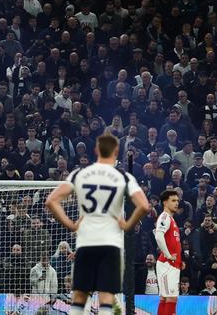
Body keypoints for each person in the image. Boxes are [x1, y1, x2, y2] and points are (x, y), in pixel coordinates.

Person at [46, 133, 152, 315]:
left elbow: (51, 201)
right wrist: (127, 225)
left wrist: (71, 224)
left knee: (79, 296)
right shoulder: (123, 177)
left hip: (86, 242)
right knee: (106, 298)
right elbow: (144, 206)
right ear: (117, 152)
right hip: (110, 244)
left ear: (96, 150)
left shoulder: (80, 174)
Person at [154, 189, 184, 315]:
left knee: (165, 297)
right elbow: (158, 236)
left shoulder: (171, 219)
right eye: (173, 201)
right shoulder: (165, 217)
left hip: (172, 264)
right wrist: (168, 255)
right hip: (167, 264)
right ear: (165, 203)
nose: (176, 203)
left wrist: (179, 261)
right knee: (171, 297)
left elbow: (173, 243)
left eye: (177, 200)